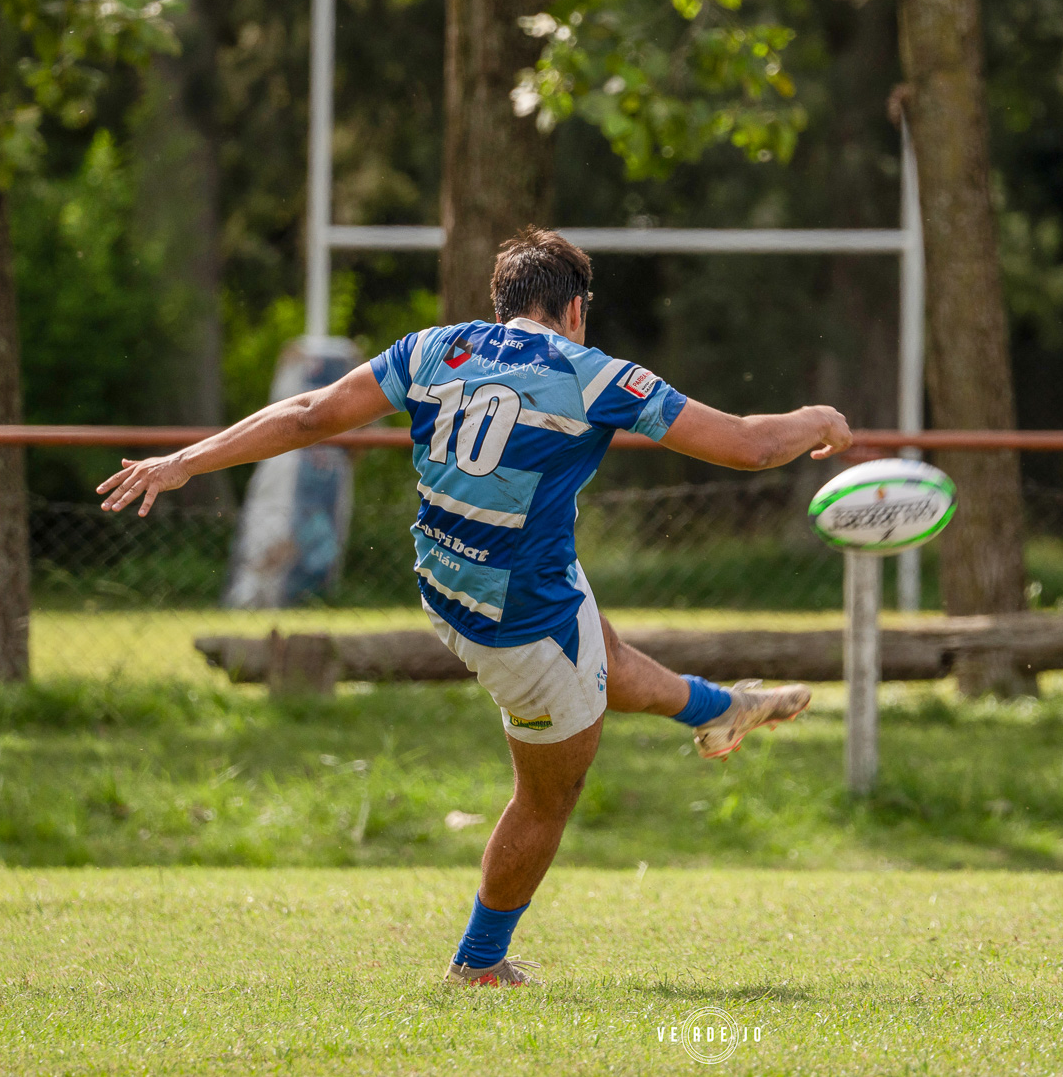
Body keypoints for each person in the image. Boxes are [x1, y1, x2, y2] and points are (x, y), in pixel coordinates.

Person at [97, 227, 853, 986]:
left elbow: (307, 416)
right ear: (575, 309)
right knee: (548, 795)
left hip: (448, 587)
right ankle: (480, 964)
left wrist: (183, 460)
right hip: (519, 624)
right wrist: (818, 418)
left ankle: (718, 710)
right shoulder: (595, 376)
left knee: (604, 656)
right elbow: (750, 446)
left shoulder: (434, 350)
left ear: (503, 305)